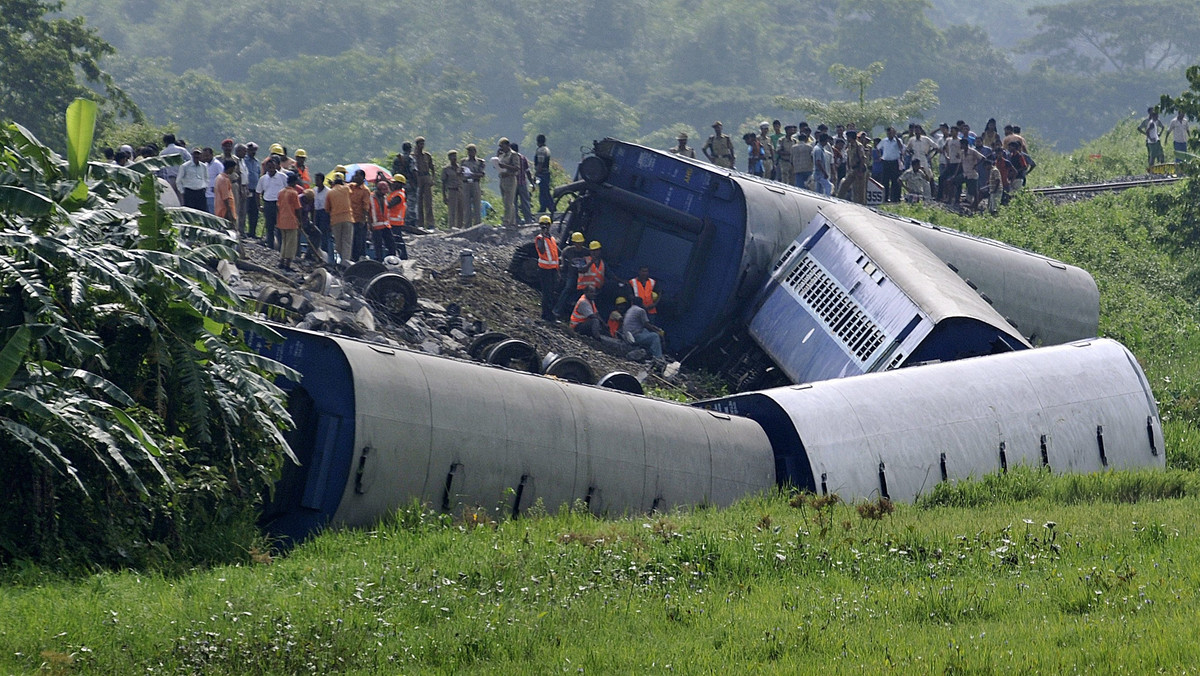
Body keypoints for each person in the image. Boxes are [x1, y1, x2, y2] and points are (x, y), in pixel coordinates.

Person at [554, 232, 590, 319]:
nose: (579, 245)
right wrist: (562, 266)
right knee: (568, 288)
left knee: (581, 292)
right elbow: (562, 259)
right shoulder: (568, 250)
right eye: (577, 243)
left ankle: (571, 310)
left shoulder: (586, 251)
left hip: (583, 275)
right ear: (574, 243)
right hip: (572, 273)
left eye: (580, 243)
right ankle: (557, 310)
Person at [256, 157, 288, 249]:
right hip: (268, 204)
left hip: (279, 204)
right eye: (269, 167)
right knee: (269, 226)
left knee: (280, 227)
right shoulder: (263, 179)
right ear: (266, 168)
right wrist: (259, 205)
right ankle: (270, 247)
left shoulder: (282, 177)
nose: (271, 169)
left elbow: (288, 190)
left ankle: (281, 248)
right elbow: (257, 192)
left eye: (272, 167)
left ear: (276, 167)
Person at [621, 296, 664, 361]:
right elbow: (646, 325)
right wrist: (657, 331)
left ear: (632, 303)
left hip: (627, 335)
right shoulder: (641, 310)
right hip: (634, 336)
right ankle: (658, 358)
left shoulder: (630, 310)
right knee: (655, 336)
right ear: (641, 303)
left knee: (646, 331)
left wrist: (655, 329)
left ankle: (648, 353)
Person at [534, 215, 559, 322]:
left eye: (547, 225)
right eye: (542, 225)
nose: (545, 227)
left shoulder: (552, 239)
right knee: (546, 292)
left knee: (551, 292)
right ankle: (546, 315)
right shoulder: (540, 238)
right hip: (545, 269)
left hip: (553, 269)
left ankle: (550, 313)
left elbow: (555, 254)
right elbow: (542, 250)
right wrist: (543, 237)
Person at [326, 172, 353, 266]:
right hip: (347, 218)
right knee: (347, 241)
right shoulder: (346, 189)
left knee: (338, 242)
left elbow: (327, 208)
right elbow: (349, 188)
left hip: (335, 220)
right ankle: (345, 262)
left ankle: (341, 260)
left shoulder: (330, 192)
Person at [276, 172, 302, 271]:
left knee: (284, 242)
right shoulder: (294, 193)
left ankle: (281, 261)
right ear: (295, 182)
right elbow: (298, 208)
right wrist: (300, 221)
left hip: (282, 220)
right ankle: (287, 264)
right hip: (291, 221)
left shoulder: (281, 192)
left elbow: (278, 206)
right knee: (291, 243)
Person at [367, 178, 397, 261]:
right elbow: (367, 212)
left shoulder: (384, 197)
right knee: (378, 245)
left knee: (391, 243)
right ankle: (379, 260)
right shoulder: (371, 198)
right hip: (376, 226)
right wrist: (369, 225)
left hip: (386, 225)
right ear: (378, 190)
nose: (384, 193)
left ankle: (393, 260)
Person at [348, 170, 371, 261]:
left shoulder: (365, 190)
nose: (355, 177)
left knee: (359, 241)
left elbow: (366, 206)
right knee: (351, 240)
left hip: (359, 219)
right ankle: (352, 258)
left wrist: (363, 220)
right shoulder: (351, 187)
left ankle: (358, 259)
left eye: (357, 176)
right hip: (351, 218)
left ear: (362, 177)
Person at [461, 143, 486, 227]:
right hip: (466, 183)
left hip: (475, 182)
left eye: (471, 151)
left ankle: (477, 224)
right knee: (466, 205)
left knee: (477, 204)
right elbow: (460, 172)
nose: (469, 153)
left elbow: (482, 174)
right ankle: (467, 224)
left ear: (475, 151)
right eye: (468, 151)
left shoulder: (479, 161)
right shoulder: (463, 161)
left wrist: (473, 174)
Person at [158, 133, 190, 198]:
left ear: (165, 142)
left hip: (170, 178)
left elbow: (161, 168)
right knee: (182, 198)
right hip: (182, 177)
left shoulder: (163, 152)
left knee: (172, 197)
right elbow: (190, 161)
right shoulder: (182, 150)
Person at [497, 137, 520, 226]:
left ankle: (506, 221)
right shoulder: (502, 155)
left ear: (507, 145)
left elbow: (516, 168)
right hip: (502, 179)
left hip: (510, 179)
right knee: (505, 201)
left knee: (509, 201)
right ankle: (512, 221)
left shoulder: (513, 155)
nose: (501, 148)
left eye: (502, 146)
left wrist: (505, 166)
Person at [414, 136, 435, 229]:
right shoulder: (413, 156)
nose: (421, 145)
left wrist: (432, 179)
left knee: (428, 201)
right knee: (419, 202)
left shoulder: (427, 155)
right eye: (420, 144)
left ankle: (430, 223)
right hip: (418, 178)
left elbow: (432, 167)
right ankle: (420, 224)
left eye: (423, 143)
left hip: (426, 177)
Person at [878, 127, 904, 203]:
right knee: (885, 181)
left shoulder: (897, 140)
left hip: (894, 162)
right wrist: (880, 156)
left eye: (891, 132)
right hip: (886, 162)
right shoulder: (884, 141)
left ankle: (895, 198)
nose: (889, 134)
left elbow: (901, 147)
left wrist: (895, 136)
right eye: (888, 132)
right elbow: (878, 148)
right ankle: (885, 198)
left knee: (895, 181)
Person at [312, 172, 333, 263]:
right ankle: (316, 253)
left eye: (318, 180)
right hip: (316, 212)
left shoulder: (328, 191)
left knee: (324, 234)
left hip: (325, 213)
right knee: (316, 233)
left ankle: (325, 256)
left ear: (322, 180)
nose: (316, 181)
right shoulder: (314, 190)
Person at [441, 150, 464, 229]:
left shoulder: (460, 168)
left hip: (460, 190)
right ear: (449, 158)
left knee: (461, 211)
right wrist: (444, 196)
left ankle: (460, 228)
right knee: (452, 211)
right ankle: (451, 228)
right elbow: (443, 183)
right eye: (452, 156)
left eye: (455, 156)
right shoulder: (446, 169)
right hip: (451, 190)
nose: (454, 158)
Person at [512, 142, 535, 223]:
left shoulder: (510, 158)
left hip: (513, 184)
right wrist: (532, 183)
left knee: (513, 202)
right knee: (525, 202)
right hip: (522, 182)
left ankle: (516, 219)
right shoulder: (523, 158)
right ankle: (528, 219)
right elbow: (528, 172)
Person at [387, 176, 409, 260]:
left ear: (399, 184)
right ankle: (401, 256)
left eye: (395, 182)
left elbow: (389, 205)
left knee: (397, 239)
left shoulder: (399, 195)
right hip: (392, 221)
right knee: (396, 239)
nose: (393, 184)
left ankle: (403, 256)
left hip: (395, 222)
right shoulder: (395, 193)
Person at [243, 143, 261, 238]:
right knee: (244, 210)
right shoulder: (244, 161)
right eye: (251, 150)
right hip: (246, 189)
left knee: (254, 212)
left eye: (254, 150)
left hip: (255, 190)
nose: (253, 152)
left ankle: (252, 232)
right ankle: (242, 231)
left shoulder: (256, 162)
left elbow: (258, 174)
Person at [214, 158, 238, 224]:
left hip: (220, 208)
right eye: (233, 168)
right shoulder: (224, 180)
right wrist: (229, 212)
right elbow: (225, 198)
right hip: (224, 210)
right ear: (230, 168)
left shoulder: (219, 177)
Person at [534, 134, 553, 215]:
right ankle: (548, 207)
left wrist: (536, 173)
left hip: (542, 174)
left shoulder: (541, 150)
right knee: (545, 191)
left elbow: (540, 164)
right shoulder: (547, 149)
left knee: (543, 192)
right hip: (546, 173)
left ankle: (546, 208)